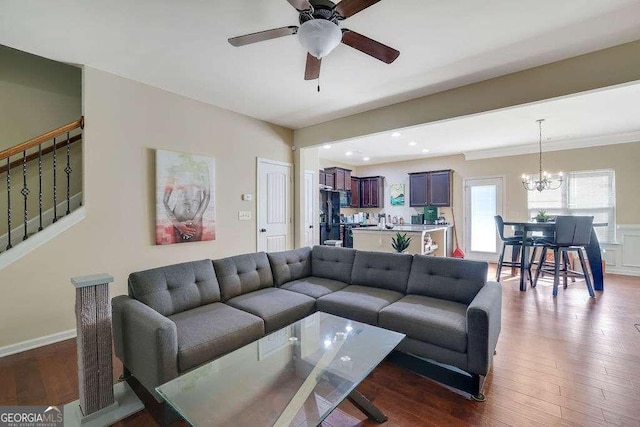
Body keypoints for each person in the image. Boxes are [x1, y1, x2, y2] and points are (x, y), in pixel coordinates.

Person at [162, 153, 211, 243]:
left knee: (197, 251)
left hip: (197, 219)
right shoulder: (174, 170)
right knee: (176, 253)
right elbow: (164, 202)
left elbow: (207, 195)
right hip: (178, 218)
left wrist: (196, 219)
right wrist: (177, 224)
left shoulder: (202, 167)